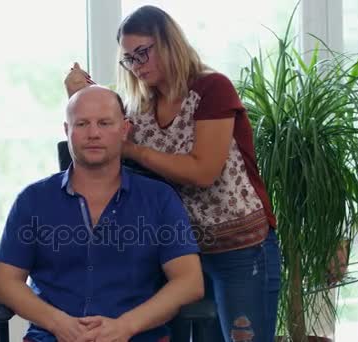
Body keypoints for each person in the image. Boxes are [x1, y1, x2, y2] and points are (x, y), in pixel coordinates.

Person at [65, 5, 281, 342]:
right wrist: (79, 96)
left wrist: (132, 148)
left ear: (169, 43)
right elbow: (103, 140)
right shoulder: (139, 104)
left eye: (143, 53)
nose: (138, 65)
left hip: (239, 248)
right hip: (182, 254)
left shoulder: (211, 89)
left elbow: (203, 171)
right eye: (129, 59)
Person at [0, 85, 204, 342]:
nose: (93, 133)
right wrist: (59, 324)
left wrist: (125, 326)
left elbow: (190, 282)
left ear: (124, 130)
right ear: (67, 131)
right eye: (81, 124)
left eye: (104, 123)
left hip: (137, 336)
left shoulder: (160, 198)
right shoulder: (32, 201)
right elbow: (3, 283)